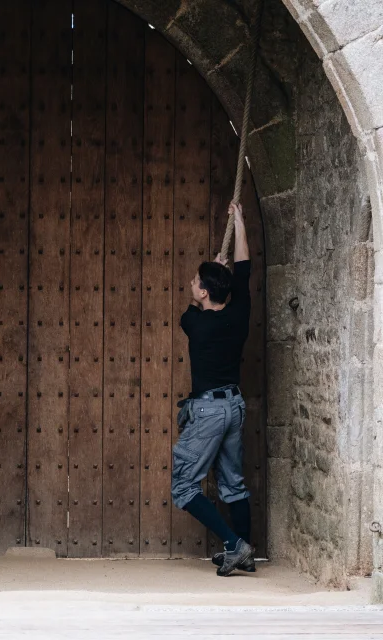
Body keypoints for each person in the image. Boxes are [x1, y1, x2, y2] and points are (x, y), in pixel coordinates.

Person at [171, 202, 254, 577]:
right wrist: (239, 222)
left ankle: (236, 545)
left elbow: (192, 308)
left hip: (207, 411)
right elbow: (244, 270)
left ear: (204, 293)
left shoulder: (195, 324)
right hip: (234, 405)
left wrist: (216, 269)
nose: (192, 285)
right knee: (233, 484)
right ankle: (248, 554)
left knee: (184, 485)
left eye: (195, 282)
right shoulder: (239, 315)